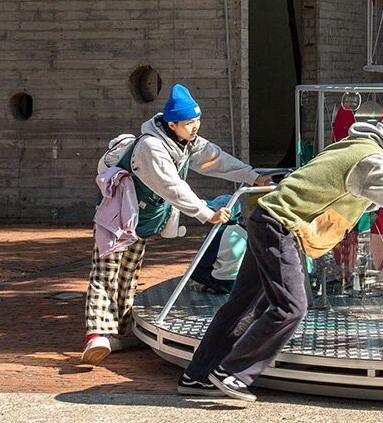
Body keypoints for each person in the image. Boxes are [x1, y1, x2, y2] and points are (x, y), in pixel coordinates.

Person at [179, 109, 383, 401]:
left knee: (241, 306)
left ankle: (196, 376)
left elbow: (350, 193)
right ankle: (233, 373)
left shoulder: (350, 145)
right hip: (281, 228)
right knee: (291, 308)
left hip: (264, 219)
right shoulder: (373, 161)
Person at [83, 84, 272, 366]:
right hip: (115, 216)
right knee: (106, 271)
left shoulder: (184, 141)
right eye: (189, 123)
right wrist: (204, 213)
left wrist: (252, 176)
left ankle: (118, 332)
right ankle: (96, 334)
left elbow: (215, 158)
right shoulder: (151, 147)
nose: (195, 127)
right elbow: (172, 187)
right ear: (172, 124)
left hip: (140, 219)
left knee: (128, 272)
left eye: (197, 121)